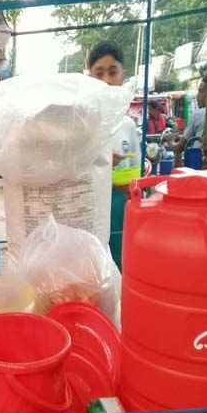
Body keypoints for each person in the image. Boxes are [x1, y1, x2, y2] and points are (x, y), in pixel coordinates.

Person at [87, 40, 140, 268]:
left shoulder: (128, 125)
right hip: (91, 208)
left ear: (122, 75)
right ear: (89, 77)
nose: (107, 80)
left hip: (121, 209)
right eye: (99, 73)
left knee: (121, 263)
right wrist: (103, 163)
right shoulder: (82, 122)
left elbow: (134, 177)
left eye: (112, 72)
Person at [175, 76, 207, 164]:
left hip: (197, 163)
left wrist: (172, 145)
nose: (197, 96)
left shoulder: (198, 114)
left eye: (200, 91)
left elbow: (180, 146)